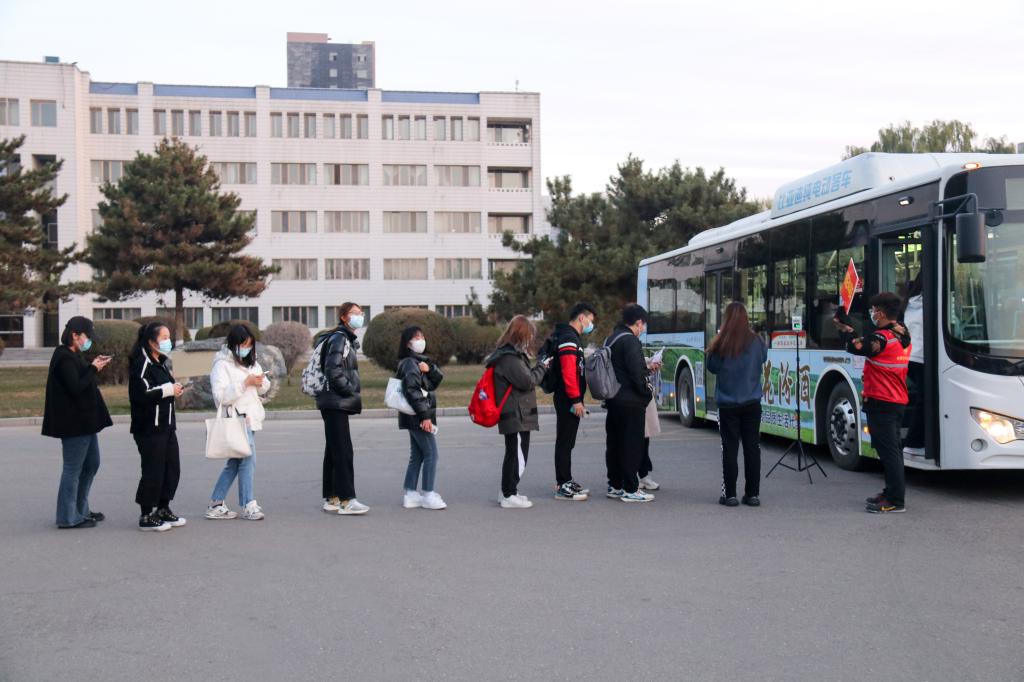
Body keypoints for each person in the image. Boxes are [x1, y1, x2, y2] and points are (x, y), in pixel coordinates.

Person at [833, 292, 911, 513]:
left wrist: (846, 329)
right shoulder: (902, 333)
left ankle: (895, 500)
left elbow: (857, 346)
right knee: (891, 450)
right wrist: (849, 329)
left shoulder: (882, 338)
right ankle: (890, 491)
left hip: (882, 400)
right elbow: (863, 344)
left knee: (889, 452)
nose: (872, 314)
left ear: (882, 313)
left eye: (874, 310)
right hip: (896, 399)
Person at [41, 316, 113, 529]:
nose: (88, 340)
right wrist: (93, 369)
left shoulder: (73, 355)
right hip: (74, 424)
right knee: (73, 469)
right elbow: (75, 386)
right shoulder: (63, 357)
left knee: (91, 464)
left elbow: (80, 378)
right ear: (75, 335)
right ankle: (67, 517)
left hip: (85, 422)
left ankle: (81, 509)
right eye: (86, 336)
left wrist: (92, 365)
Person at [484, 315, 551, 509]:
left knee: (513, 453)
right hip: (516, 414)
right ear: (521, 335)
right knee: (518, 456)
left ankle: (508, 491)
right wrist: (542, 367)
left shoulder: (509, 355)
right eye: (529, 335)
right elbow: (528, 381)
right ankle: (509, 494)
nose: (530, 339)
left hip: (516, 413)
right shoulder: (509, 358)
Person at [205, 324, 271, 521]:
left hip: (251, 418)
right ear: (233, 344)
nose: (246, 349)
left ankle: (216, 503)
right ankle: (248, 504)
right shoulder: (222, 365)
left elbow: (262, 388)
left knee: (235, 462)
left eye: (249, 345)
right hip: (237, 419)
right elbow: (220, 397)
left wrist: (260, 382)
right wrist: (245, 383)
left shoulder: (251, 362)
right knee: (248, 460)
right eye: (243, 345)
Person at [706, 302, 769, 508]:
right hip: (752, 402)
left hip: (728, 405)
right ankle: (752, 494)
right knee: (752, 448)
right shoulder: (757, 341)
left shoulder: (722, 342)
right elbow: (763, 358)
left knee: (729, 448)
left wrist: (717, 340)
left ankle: (730, 495)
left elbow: (712, 367)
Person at [129, 322, 184, 532]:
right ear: (152, 341)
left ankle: (163, 508)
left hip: (167, 426)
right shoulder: (141, 364)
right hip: (149, 428)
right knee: (153, 470)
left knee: (171, 468)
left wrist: (175, 389)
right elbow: (141, 394)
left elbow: (165, 388)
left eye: (169, 337)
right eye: (164, 337)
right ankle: (146, 515)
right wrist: (167, 390)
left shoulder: (160, 362)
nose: (168, 341)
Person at [315, 302, 369, 516]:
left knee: (333, 449)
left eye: (361, 313)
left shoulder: (342, 337)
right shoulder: (340, 338)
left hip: (331, 401)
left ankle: (332, 497)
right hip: (335, 400)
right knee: (343, 450)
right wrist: (348, 390)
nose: (360, 316)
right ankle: (347, 500)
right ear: (344, 317)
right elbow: (332, 369)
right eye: (355, 313)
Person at [604, 304, 655, 503]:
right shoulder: (631, 341)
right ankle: (631, 488)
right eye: (643, 325)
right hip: (631, 402)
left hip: (613, 399)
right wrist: (646, 393)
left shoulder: (611, 338)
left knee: (615, 444)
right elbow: (637, 373)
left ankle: (615, 485)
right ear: (638, 322)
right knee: (632, 445)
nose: (643, 329)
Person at [396, 326, 447, 510]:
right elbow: (413, 391)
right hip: (418, 415)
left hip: (414, 415)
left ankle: (410, 493)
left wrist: (429, 369)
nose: (421, 340)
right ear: (408, 342)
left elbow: (434, 382)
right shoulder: (410, 363)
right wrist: (425, 417)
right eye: (416, 337)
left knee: (417, 454)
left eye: (422, 337)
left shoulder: (417, 362)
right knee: (431, 453)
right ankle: (428, 493)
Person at [548, 302, 596, 501]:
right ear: (581, 318)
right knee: (565, 441)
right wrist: (576, 400)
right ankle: (563, 484)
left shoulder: (570, 336)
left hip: (568, 397)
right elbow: (569, 372)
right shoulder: (568, 338)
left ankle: (566, 479)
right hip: (567, 398)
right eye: (590, 320)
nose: (591, 325)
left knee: (568, 441)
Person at [901, 274, 925, 457]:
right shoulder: (924, 304)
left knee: (924, 399)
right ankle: (914, 442)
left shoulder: (909, 303)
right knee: (926, 400)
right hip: (921, 357)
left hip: (911, 357)